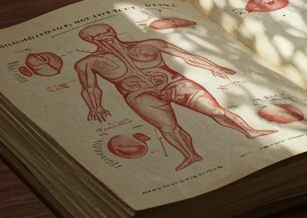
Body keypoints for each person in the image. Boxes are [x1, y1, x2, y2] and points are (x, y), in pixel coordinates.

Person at [73, 23, 275, 172]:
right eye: (97, 36)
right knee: (168, 128)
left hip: (174, 83)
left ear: (113, 30)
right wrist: (95, 107)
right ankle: (191, 156)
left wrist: (214, 67)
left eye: (107, 31)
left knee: (215, 110)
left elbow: (187, 56)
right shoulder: (88, 63)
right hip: (139, 95)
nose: (105, 37)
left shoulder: (150, 44)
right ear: (90, 40)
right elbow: (89, 87)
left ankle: (250, 131)